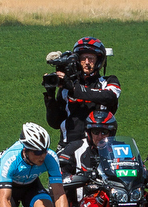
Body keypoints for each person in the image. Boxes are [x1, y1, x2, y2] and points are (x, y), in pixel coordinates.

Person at [44, 36, 121, 180]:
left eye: (91, 58)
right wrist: (49, 95)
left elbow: (109, 97)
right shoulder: (67, 87)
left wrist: (74, 88)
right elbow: (55, 123)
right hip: (68, 147)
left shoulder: (108, 81)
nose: (87, 62)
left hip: (99, 149)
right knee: (60, 191)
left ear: (99, 60)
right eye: (83, 58)